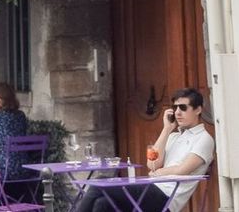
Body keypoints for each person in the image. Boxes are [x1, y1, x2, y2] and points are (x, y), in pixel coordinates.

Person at [74, 91, 213, 212]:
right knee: (102, 204)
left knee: (99, 183)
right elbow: (152, 163)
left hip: (166, 197)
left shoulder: (204, 139)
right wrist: (166, 129)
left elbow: (182, 170)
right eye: (175, 107)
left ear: (198, 110)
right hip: (151, 188)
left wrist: (158, 173)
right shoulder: (173, 136)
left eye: (183, 107)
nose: (177, 112)